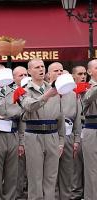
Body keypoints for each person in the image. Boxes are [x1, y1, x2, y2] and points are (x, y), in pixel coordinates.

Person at [19, 58, 65, 200]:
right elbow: (29, 106)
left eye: (42, 66)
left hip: (52, 135)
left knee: (51, 178)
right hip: (34, 135)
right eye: (37, 67)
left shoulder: (54, 89)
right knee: (35, 177)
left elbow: (60, 116)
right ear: (29, 71)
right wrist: (46, 96)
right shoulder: (24, 90)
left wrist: (61, 140)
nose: (41, 69)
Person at [0, 64, 25, 200]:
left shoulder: (16, 91)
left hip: (13, 133)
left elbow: (22, 115)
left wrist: (21, 141)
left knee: (12, 173)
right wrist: (13, 113)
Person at [48, 62, 82, 200]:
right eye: (56, 70)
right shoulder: (45, 93)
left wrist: (76, 140)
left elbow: (77, 120)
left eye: (61, 70)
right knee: (50, 174)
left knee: (67, 173)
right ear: (48, 74)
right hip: (50, 136)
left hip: (68, 137)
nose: (59, 73)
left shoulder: (73, 95)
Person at [70, 65, 87, 200]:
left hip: (88, 130)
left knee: (90, 165)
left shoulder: (89, 90)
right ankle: (76, 193)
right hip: (75, 131)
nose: (83, 76)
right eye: (80, 74)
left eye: (85, 74)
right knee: (75, 165)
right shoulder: (69, 91)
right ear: (73, 75)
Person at [82, 59, 97, 200]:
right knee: (92, 170)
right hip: (93, 129)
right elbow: (88, 98)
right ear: (89, 71)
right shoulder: (85, 86)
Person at [13, 66, 28, 199]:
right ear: (14, 78)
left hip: (37, 135)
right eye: (20, 75)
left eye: (25, 74)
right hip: (18, 135)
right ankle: (18, 195)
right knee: (18, 169)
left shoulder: (31, 91)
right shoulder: (12, 93)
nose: (24, 78)